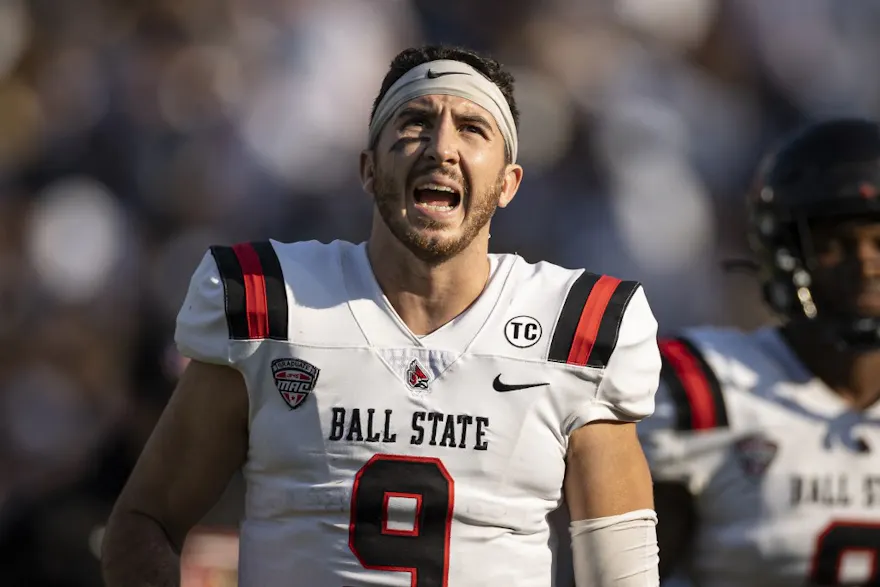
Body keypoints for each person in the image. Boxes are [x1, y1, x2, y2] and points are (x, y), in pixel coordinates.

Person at [101, 44, 662, 587]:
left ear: (508, 183)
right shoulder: (272, 300)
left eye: (472, 128)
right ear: (368, 170)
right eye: (416, 121)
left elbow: (621, 577)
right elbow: (143, 523)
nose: (441, 147)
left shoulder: (576, 327)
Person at [639, 118, 880, 587]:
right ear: (786, 252)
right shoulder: (705, 388)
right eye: (835, 243)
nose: (866, 263)